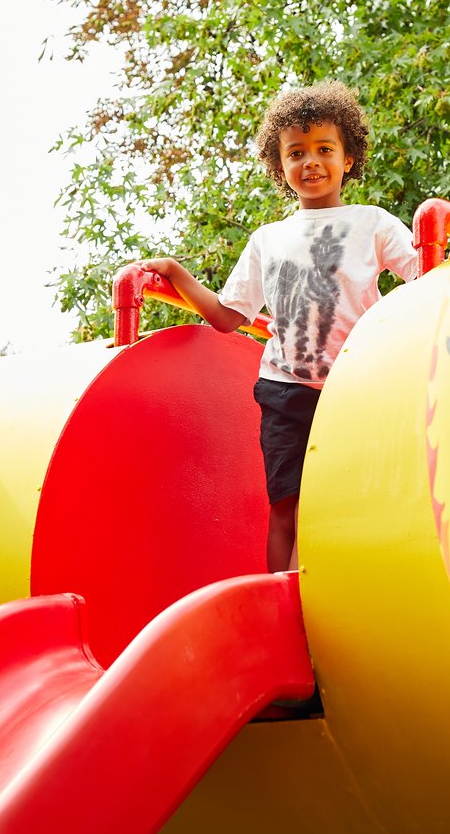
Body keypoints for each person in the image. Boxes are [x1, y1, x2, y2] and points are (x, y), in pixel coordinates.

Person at [140, 81, 419, 571]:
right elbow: (229, 316)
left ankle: (347, 586)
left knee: (351, 499)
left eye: (324, 149)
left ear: (348, 159)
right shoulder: (269, 239)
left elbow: (426, 277)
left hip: (356, 388)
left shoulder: (372, 222)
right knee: (285, 505)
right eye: (296, 153)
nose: (310, 161)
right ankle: (279, 598)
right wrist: (178, 274)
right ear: (280, 167)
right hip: (284, 391)